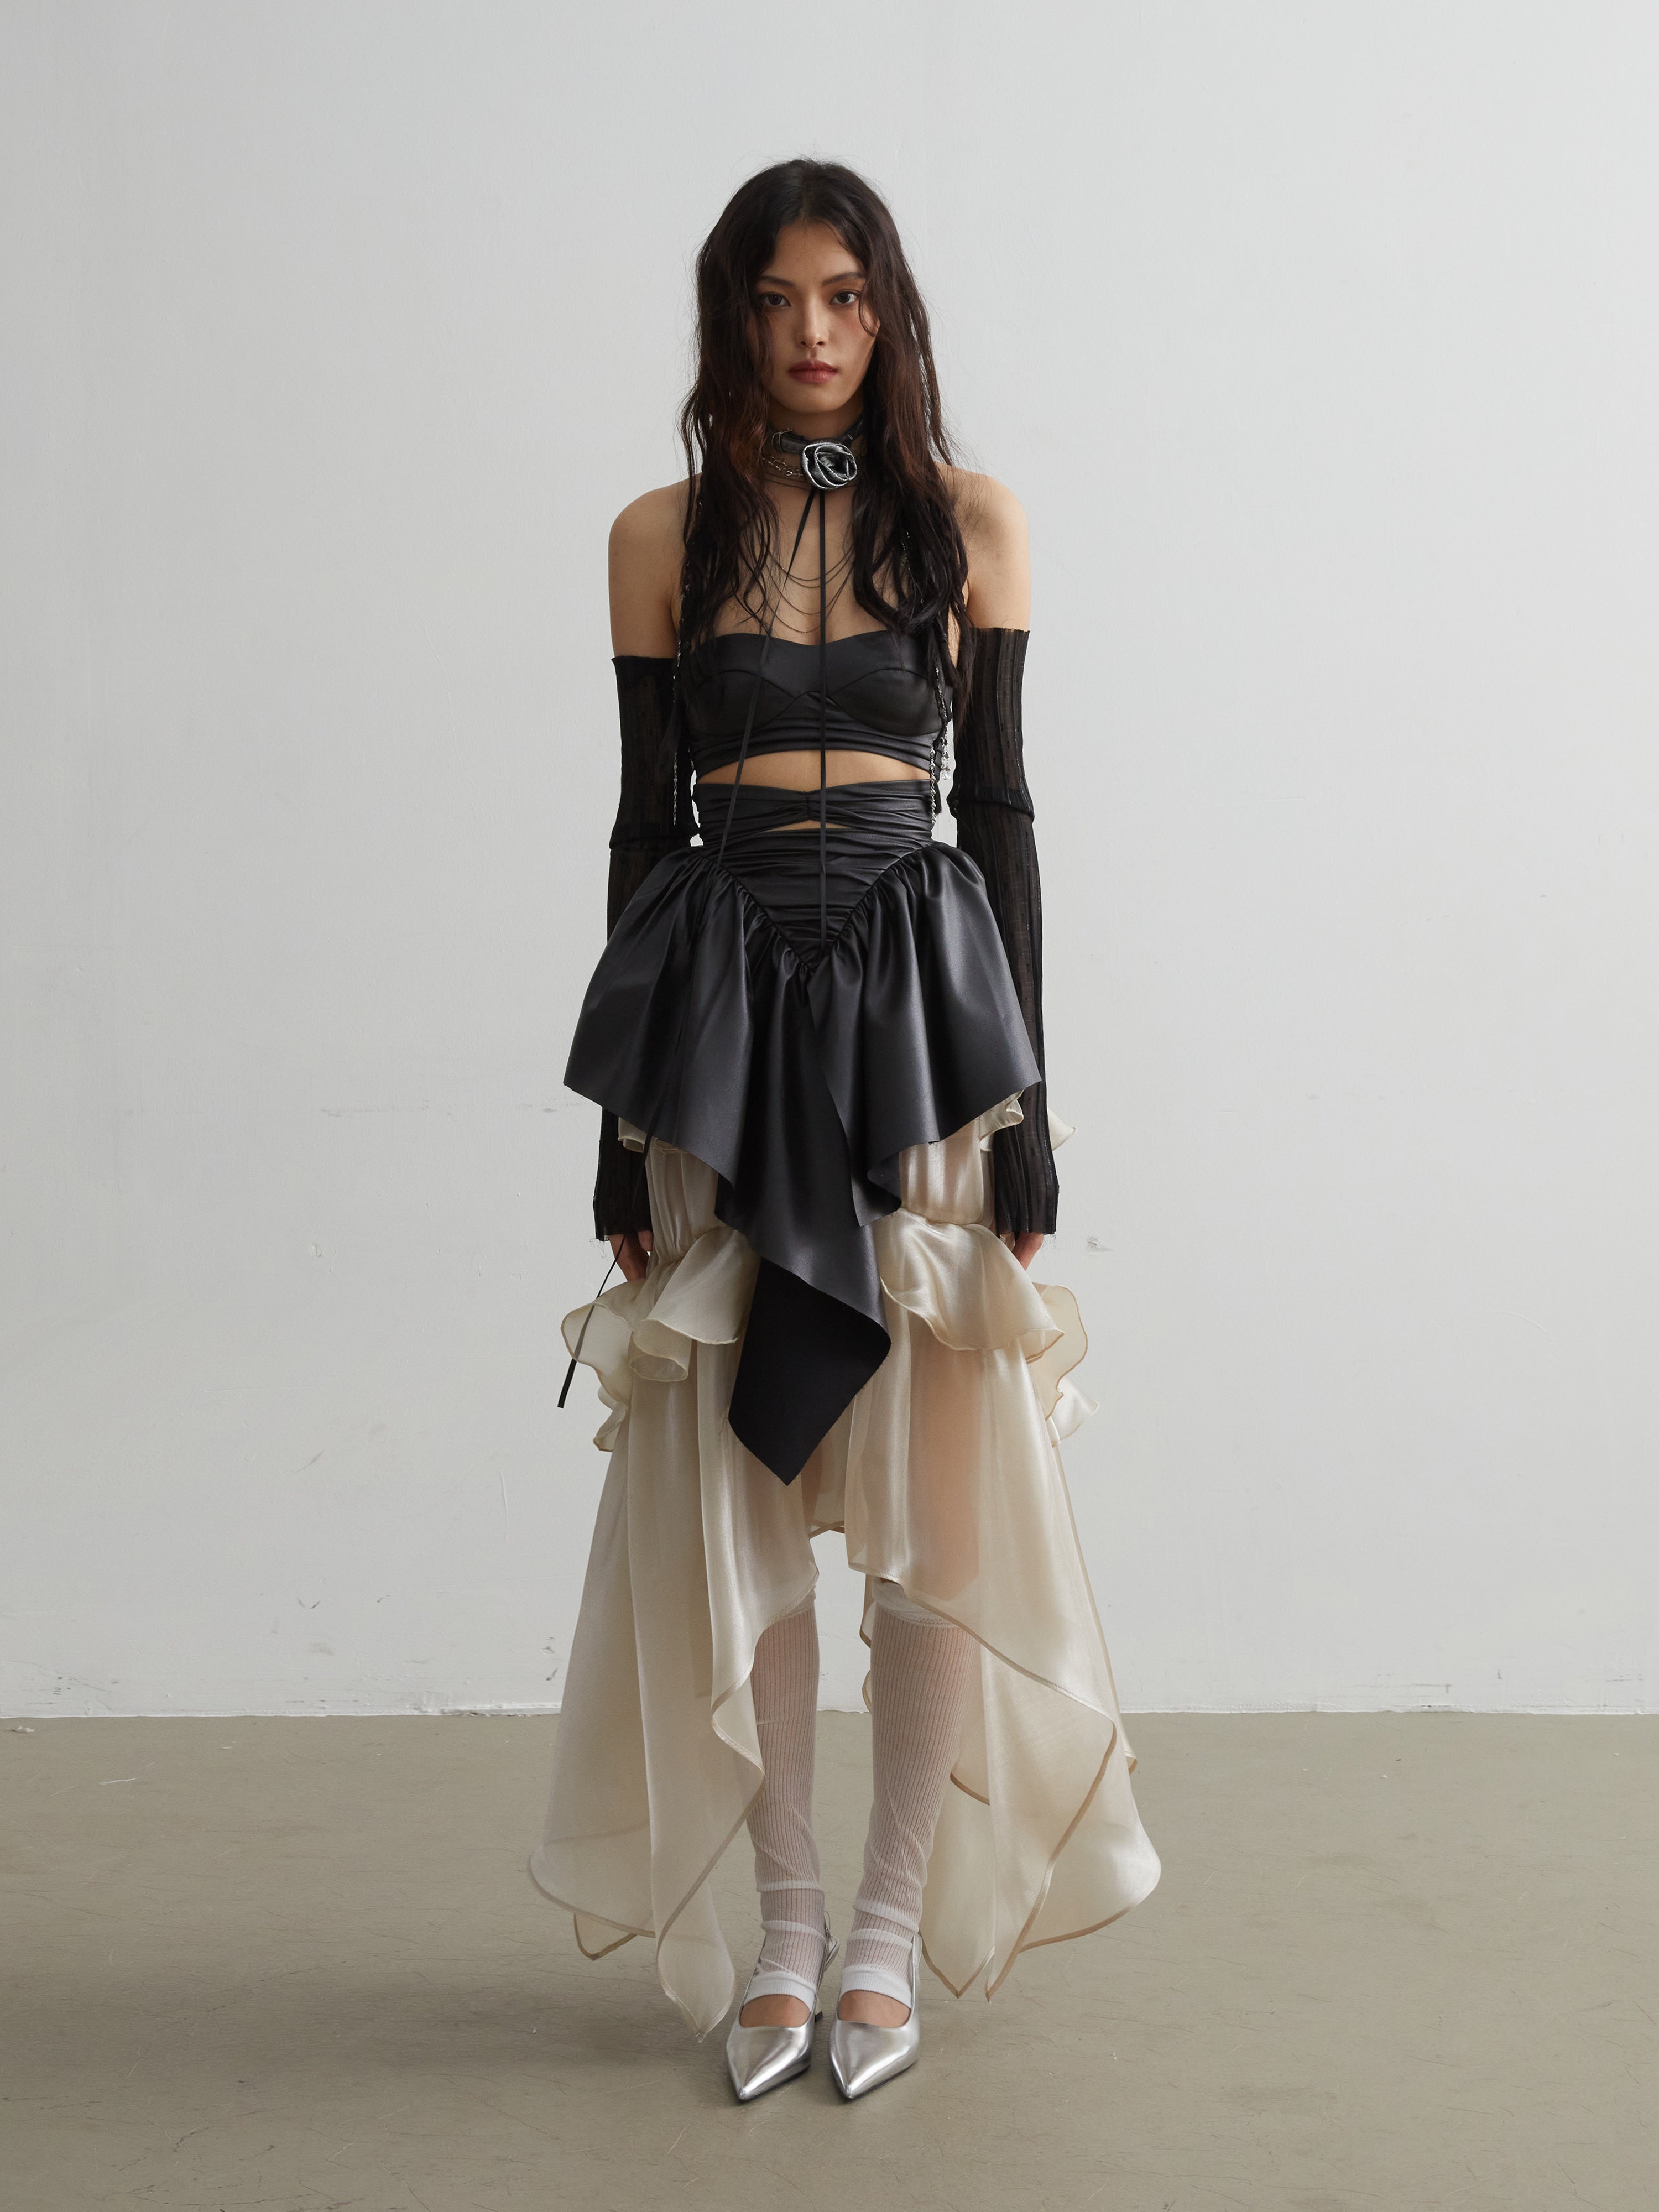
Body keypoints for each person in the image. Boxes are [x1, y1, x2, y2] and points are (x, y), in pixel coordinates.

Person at [529, 158, 1159, 2104]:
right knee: (744, 1508)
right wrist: (623, 1128)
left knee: (929, 1506)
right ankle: (788, 1930)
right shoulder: (657, 535)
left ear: (889, 315)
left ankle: (888, 1931)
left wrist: (1028, 1113)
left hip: (918, 1035)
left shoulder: (971, 525)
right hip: (724, 1029)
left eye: (846, 296)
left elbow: (1007, 818)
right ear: (732, 318)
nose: (812, 332)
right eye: (776, 298)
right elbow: (645, 828)